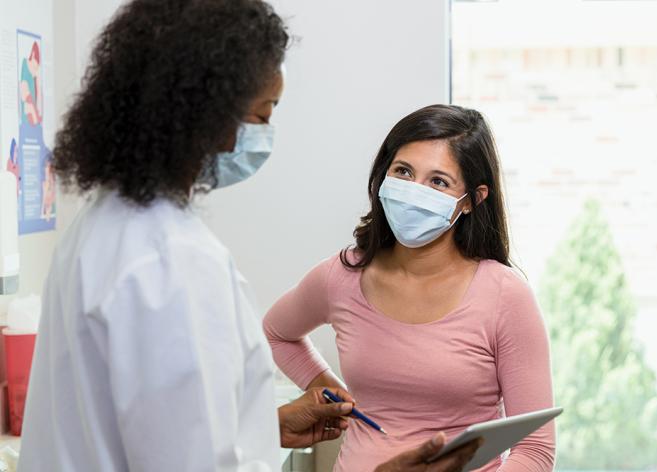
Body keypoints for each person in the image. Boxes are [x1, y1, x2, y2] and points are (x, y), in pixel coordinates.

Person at [18, 1, 478, 471]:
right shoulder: (173, 262)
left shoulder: (99, 226)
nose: (264, 135)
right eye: (261, 115)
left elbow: (153, 427)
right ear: (203, 115)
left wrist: (266, 425)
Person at [264, 104, 556, 471]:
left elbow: (535, 451)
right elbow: (276, 333)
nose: (413, 192)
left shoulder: (505, 295)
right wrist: (337, 398)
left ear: (473, 200)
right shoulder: (343, 276)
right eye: (403, 171)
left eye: (438, 182)